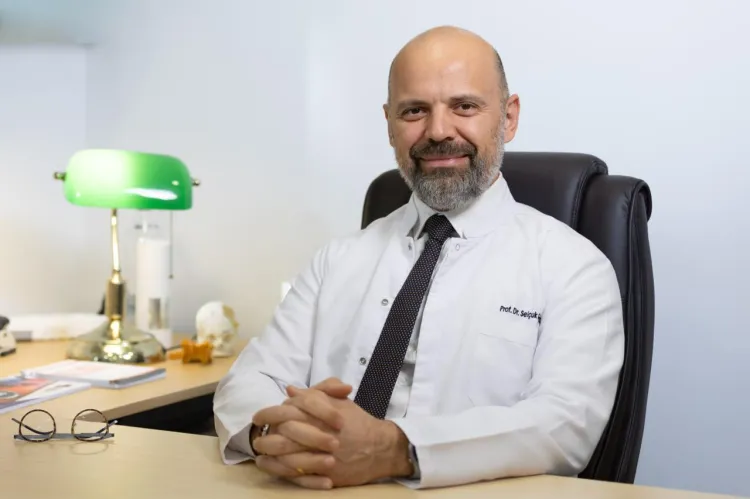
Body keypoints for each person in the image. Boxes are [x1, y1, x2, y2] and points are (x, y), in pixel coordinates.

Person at [213, 25, 624, 490]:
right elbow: (251, 378)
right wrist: (276, 435)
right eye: (414, 111)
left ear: (508, 118)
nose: (439, 131)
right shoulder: (338, 259)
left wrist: (392, 450)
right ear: (389, 123)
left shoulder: (575, 267)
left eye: (464, 106)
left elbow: (564, 424)